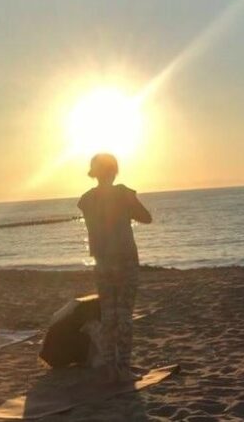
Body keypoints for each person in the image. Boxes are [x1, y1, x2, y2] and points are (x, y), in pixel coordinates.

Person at [77, 153, 152, 382]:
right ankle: (123, 367)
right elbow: (146, 217)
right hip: (125, 260)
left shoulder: (85, 200)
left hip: (102, 262)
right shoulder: (123, 194)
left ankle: (111, 368)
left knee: (109, 316)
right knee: (124, 316)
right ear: (113, 171)